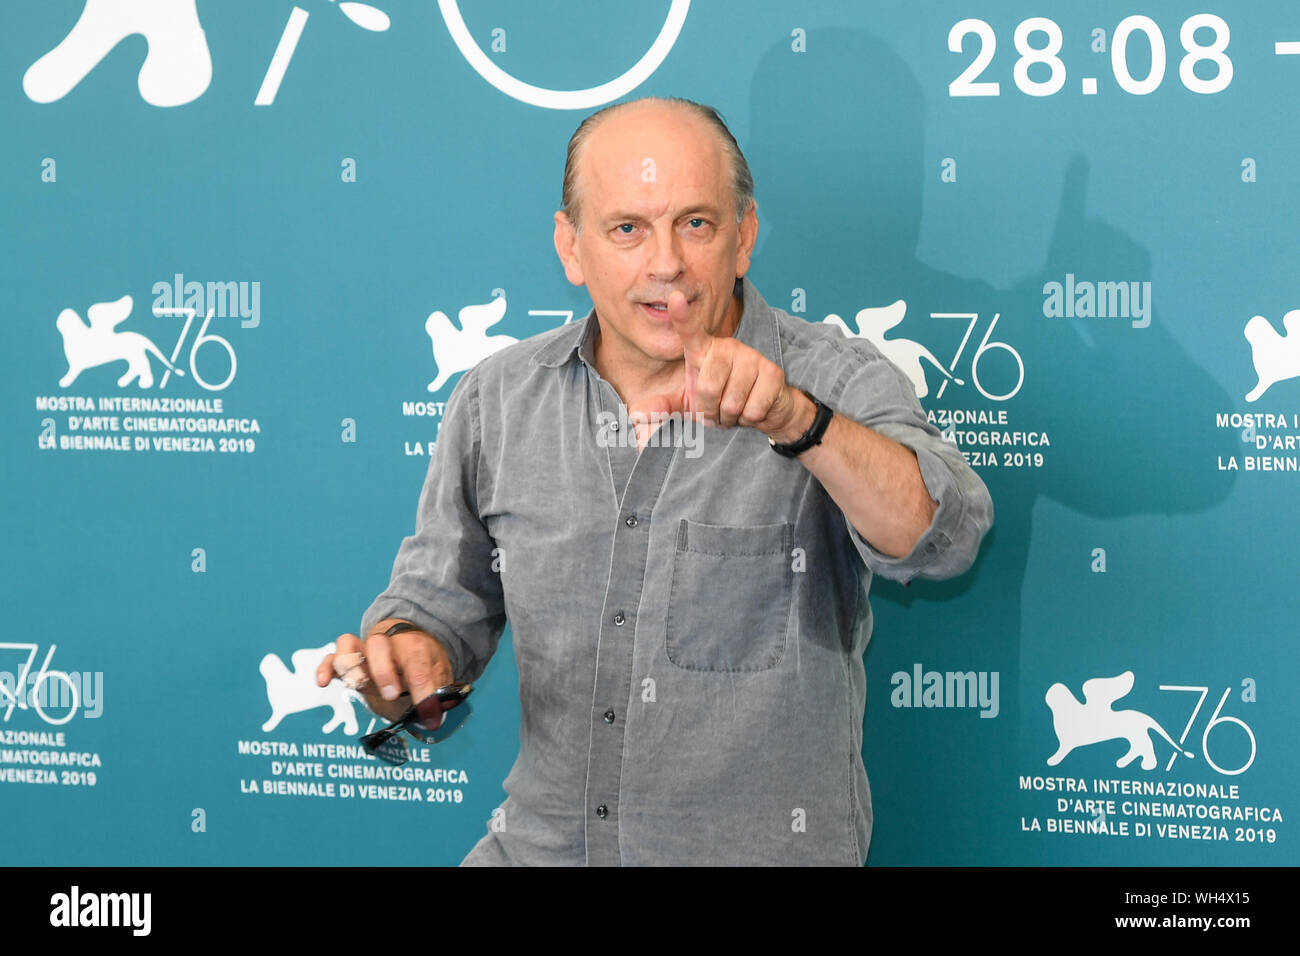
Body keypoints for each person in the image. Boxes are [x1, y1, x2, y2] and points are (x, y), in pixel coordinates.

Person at [317, 97, 993, 865]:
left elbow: (941, 539)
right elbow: (443, 606)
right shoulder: (497, 396)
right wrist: (409, 655)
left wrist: (796, 421)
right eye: (628, 228)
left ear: (744, 239)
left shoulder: (832, 380)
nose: (665, 262)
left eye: (696, 224)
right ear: (571, 249)